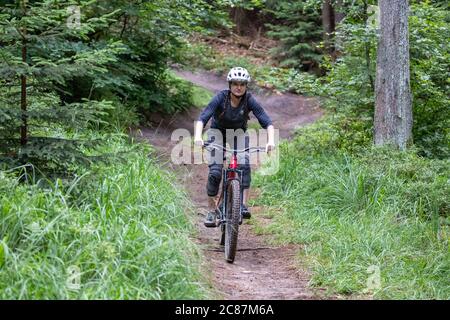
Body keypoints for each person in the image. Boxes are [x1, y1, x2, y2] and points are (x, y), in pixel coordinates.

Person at [194, 67, 275, 227]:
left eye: (242, 84)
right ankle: (211, 211)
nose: (239, 87)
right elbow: (203, 118)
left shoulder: (249, 100)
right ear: (230, 85)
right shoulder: (220, 98)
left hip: (238, 134)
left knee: (244, 165)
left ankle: (242, 205)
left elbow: (267, 121)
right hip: (216, 133)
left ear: (246, 86)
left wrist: (270, 140)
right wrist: (197, 136)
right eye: (236, 84)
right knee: (215, 173)